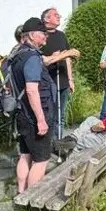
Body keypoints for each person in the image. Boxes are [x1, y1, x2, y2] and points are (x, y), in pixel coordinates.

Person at [12, 17, 58, 193]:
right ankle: (31, 200)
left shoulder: (17, 54)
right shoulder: (31, 57)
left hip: (21, 113)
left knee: (25, 155)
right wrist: (41, 120)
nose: (46, 37)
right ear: (32, 35)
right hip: (35, 116)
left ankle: (21, 192)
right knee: (41, 160)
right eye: (43, 33)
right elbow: (32, 90)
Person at [39, 8, 80, 136]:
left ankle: (59, 141)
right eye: (55, 15)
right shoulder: (41, 37)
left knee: (60, 116)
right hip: (48, 83)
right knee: (50, 116)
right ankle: (49, 142)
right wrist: (56, 56)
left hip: (63, 82)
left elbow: (67, 58)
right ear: (46, 19)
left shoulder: (61, 35)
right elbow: (42, 60)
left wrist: (70, 79)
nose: (59, 17)